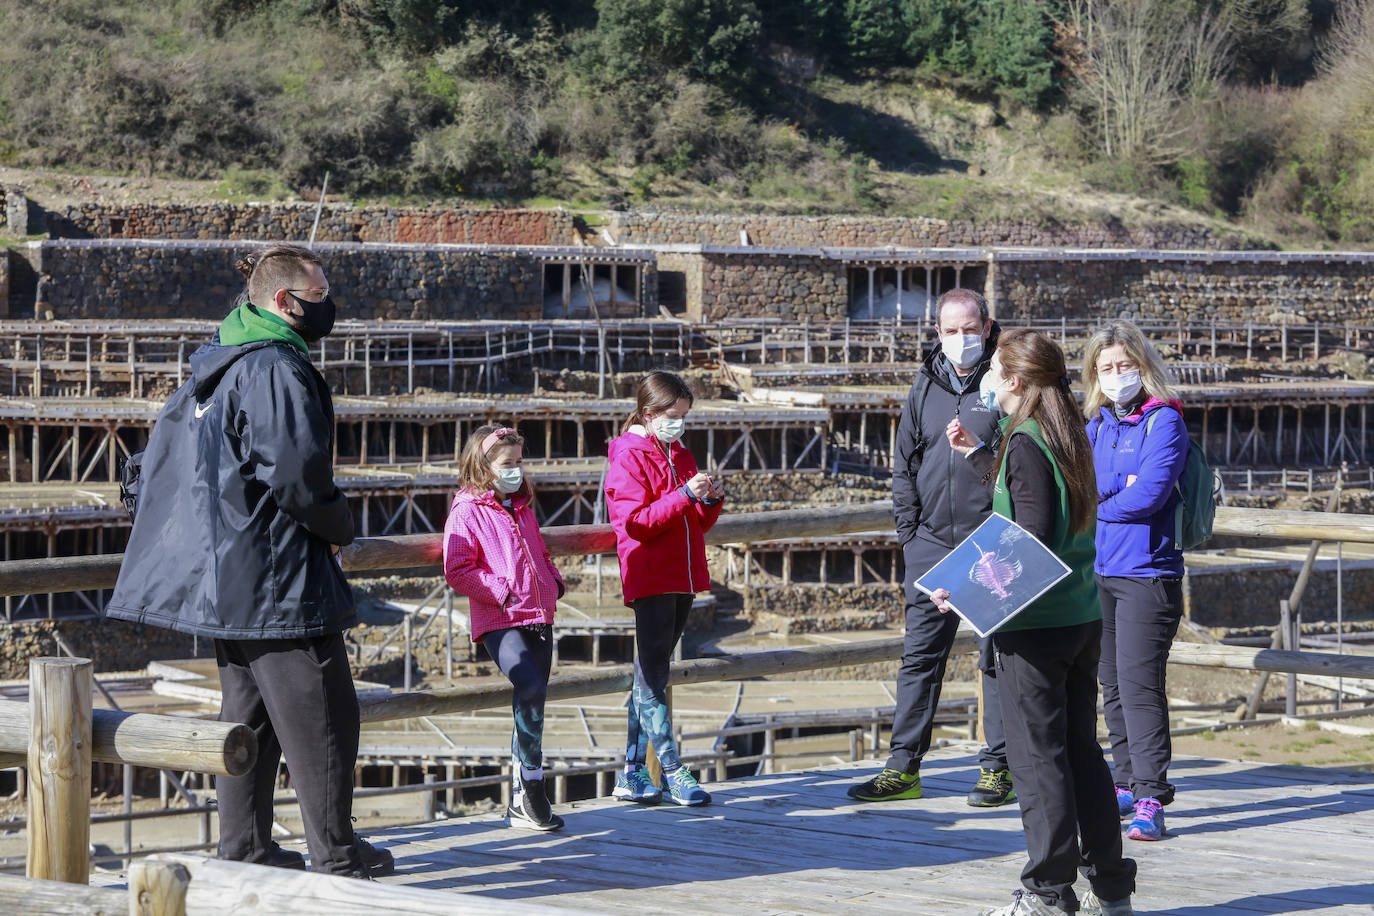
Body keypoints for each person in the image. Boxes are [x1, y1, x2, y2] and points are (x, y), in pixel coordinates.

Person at [106, 245, 391, 878]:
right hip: (279, 577)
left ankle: (245, 847)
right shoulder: (274, 367)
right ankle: (338, 857)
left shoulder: (215, 363)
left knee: (248, 726)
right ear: (285, 302)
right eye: (319, 297)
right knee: (324, 722)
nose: (330, 308)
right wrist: (340, 525)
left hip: (230, 582)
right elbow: (295, 473)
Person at [935, 328, 1136, 916]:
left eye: (997, 371)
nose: (989, 379)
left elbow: (1030, 537)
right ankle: (1111, 888)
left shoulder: (1023, 438)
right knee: (1081, 753)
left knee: (1037, 760)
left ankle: (1048, 892)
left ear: (1016, 382)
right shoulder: (1064, 432)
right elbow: (1037, 508)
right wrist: (980, 460)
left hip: (1035, 625)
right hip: (1079, 613)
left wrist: (966, 589)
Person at [846, 288, 1014, 807]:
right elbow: (903, 466)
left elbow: (1026, 460)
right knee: (919, 657)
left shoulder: (1010, 381)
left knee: (997, 658)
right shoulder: (926, 381)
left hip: (990, 546)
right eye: (949, 330)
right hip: (931, 543)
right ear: (936, 333)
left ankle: (999, 768)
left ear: (987, 328)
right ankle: (903, 768)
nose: (960, 339)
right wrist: (912, 540)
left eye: (969, 329)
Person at [1082, 321, 1190, 843]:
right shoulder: (1097, 424)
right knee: (1113, 685)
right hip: (1101, 571)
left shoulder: (1164, 422)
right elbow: (1081, 486)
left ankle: (1151, 795)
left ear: (1143, 366)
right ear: (1095, 376)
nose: (1117, 374)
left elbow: (1148, 494)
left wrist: (1102, 502)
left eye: (1125, 365)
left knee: (1142, 688)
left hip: (1149, 574)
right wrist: (1111, 493)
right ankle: (1124, 780)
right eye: (1107, 368)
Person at [604, 370, 724, 806]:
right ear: (649, 413)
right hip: (652, 574)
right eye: (673, 415)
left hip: (684, 574)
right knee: (653, 675)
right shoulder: (628, 457)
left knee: (649, 673)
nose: (680, 423)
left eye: (684, 416)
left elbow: (696, 523)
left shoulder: (681, 454)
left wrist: (708, 500)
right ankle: (673, 770)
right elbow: (635, 522)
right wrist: (684, 497)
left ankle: (633, 771)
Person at [443, 424, 566, 831]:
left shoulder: (523, 507)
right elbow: (458, 568)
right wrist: (502, 592)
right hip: (500, 617)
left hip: (539, 614)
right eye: (507, 463)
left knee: (533, 701)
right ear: (484, 465)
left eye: (519, 461)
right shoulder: (466, 511)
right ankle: (533, 785)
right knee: (528, 686)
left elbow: (539, 552)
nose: (516, 469)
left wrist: (553, 581)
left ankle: (522, 798)